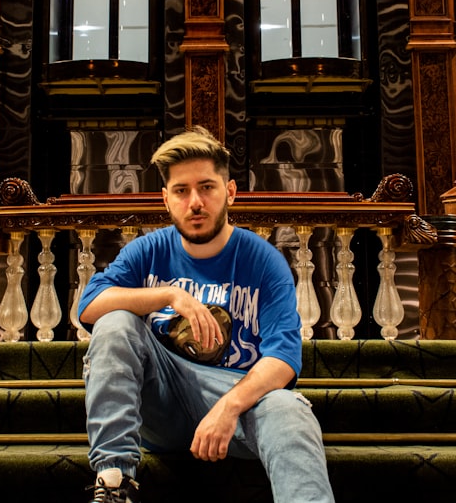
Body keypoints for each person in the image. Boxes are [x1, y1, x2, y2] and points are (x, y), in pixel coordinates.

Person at [77, 126, 335, 503]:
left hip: (234, 397)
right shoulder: (147, 251)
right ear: (166, 199)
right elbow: (88, 307)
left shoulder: (263, 260)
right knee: (115, 322)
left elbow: (283, 360)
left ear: (229, 192)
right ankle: (115, 484)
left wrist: (227, 407)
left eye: (207, 187)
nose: (194, 202)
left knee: (288, 407)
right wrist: (169, 294)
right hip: (159, 401)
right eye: (181, 191)